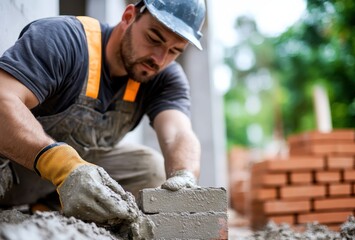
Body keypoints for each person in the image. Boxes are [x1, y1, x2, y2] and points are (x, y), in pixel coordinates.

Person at [0, 0, 205, 226]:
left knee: (150, 170)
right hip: (10, 167)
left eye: (175, 51)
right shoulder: (63, 38)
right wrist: (62, 166)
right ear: (128, 17)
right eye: (153, 39)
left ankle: (50, 207)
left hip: (58, 182)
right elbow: (3, 99)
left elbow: (178, 132)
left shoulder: (164, 77)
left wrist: (185, 174)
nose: (159, 59)